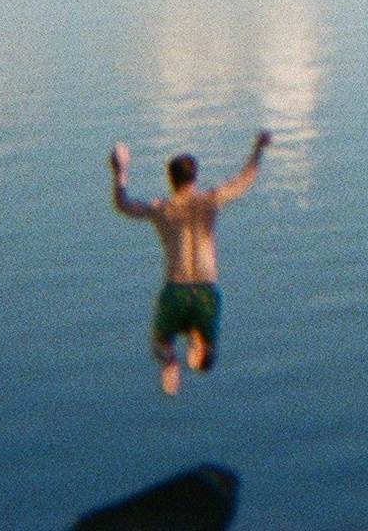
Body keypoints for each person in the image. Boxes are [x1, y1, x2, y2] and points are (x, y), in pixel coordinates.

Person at [110, 130, 271, 395]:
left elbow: (123, 205)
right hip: (206, 292)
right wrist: (258, 148)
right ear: (195, 177)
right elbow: (245, 179)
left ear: (170, 179)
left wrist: (121, 171)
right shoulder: (210, 201)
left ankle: (170, 361)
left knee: (159, 343)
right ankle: (200, 345)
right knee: (205, 336)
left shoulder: (161, 208)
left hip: (176, 290)